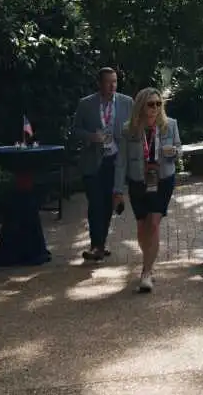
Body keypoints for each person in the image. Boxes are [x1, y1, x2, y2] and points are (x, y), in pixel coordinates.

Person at [120, 87, 180, 293]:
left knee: (153, 224)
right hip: (138, 181)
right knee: (142, 226)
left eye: (158, 103)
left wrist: (173, 152)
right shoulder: (129, 129)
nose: (155, 108)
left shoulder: (170, 125)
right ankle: (148, 260)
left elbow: (178, 149)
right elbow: (121, 162)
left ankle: (146, 271)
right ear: (141, 106)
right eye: (151, 104)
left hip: (163, 180)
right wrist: (117, 190)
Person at [72, 67, 133, 262]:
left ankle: (101, 244)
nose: (112, 85)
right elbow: (75, 131)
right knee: (95, 203)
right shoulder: (86, 104)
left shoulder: (126, 102)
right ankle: (95, 245)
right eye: (108, 82)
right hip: (93, 161)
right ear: (100, 83)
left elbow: (133, 129)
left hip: (115, 161)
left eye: (115, 81)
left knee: (107, 204)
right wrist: (91, 136)